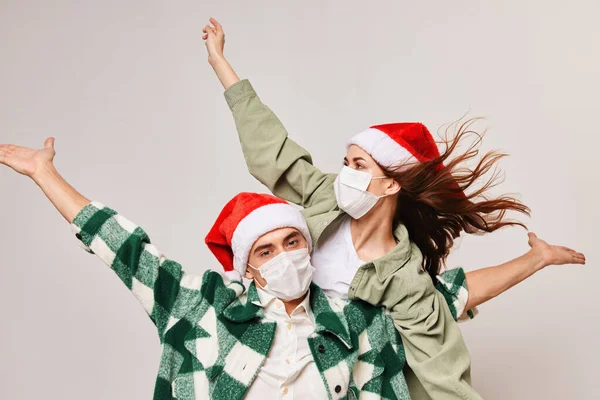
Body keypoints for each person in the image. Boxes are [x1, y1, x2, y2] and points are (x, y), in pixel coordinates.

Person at [201, 17, 587, 399]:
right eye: (346, 161)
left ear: (391, 183)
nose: (345, 174)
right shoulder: (326, 196)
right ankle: (538, 257)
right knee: (445, 296)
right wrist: (221, 65)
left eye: (359, 166)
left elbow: (440, 363)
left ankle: (538, 258)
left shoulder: (402, 274)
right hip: (271, 354)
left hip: (335, 379)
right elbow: (273, 150)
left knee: (440, 301)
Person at [0, 138, 478, 399]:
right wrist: (46, 173)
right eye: (266, 250)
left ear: (310, 250)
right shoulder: (200, 305)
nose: (285, 255)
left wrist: (535, 260)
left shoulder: (357, 320)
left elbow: (443, 300)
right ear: (247, 267)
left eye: (293, 241)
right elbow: (124, 248)